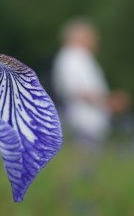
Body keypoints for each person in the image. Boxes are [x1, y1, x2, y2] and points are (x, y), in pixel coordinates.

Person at [52, 19, 129, 149]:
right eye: (92, 38)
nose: (96, 43)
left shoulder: (77, 57)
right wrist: (109, 102)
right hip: (83, 122)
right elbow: (77, 90)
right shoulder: (72, 56)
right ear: (80, 37)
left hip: (88, 122)